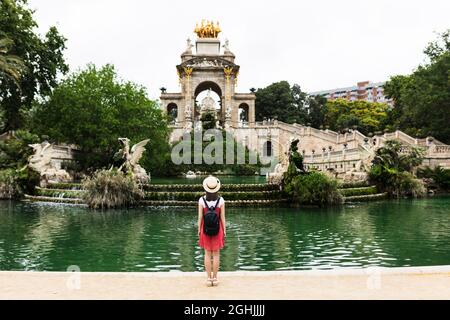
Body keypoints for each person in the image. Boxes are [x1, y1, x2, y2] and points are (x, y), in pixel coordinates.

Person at [198, 176, 226, 286]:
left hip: (205, 229)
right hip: (217, 229)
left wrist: (198, 229)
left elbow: (200, 217)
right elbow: (222, 217)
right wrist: (224, 230)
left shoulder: (201, 200)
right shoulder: (221, 200)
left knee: (207, 254)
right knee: (216, 254)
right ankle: (215, 278)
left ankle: (208, 279)